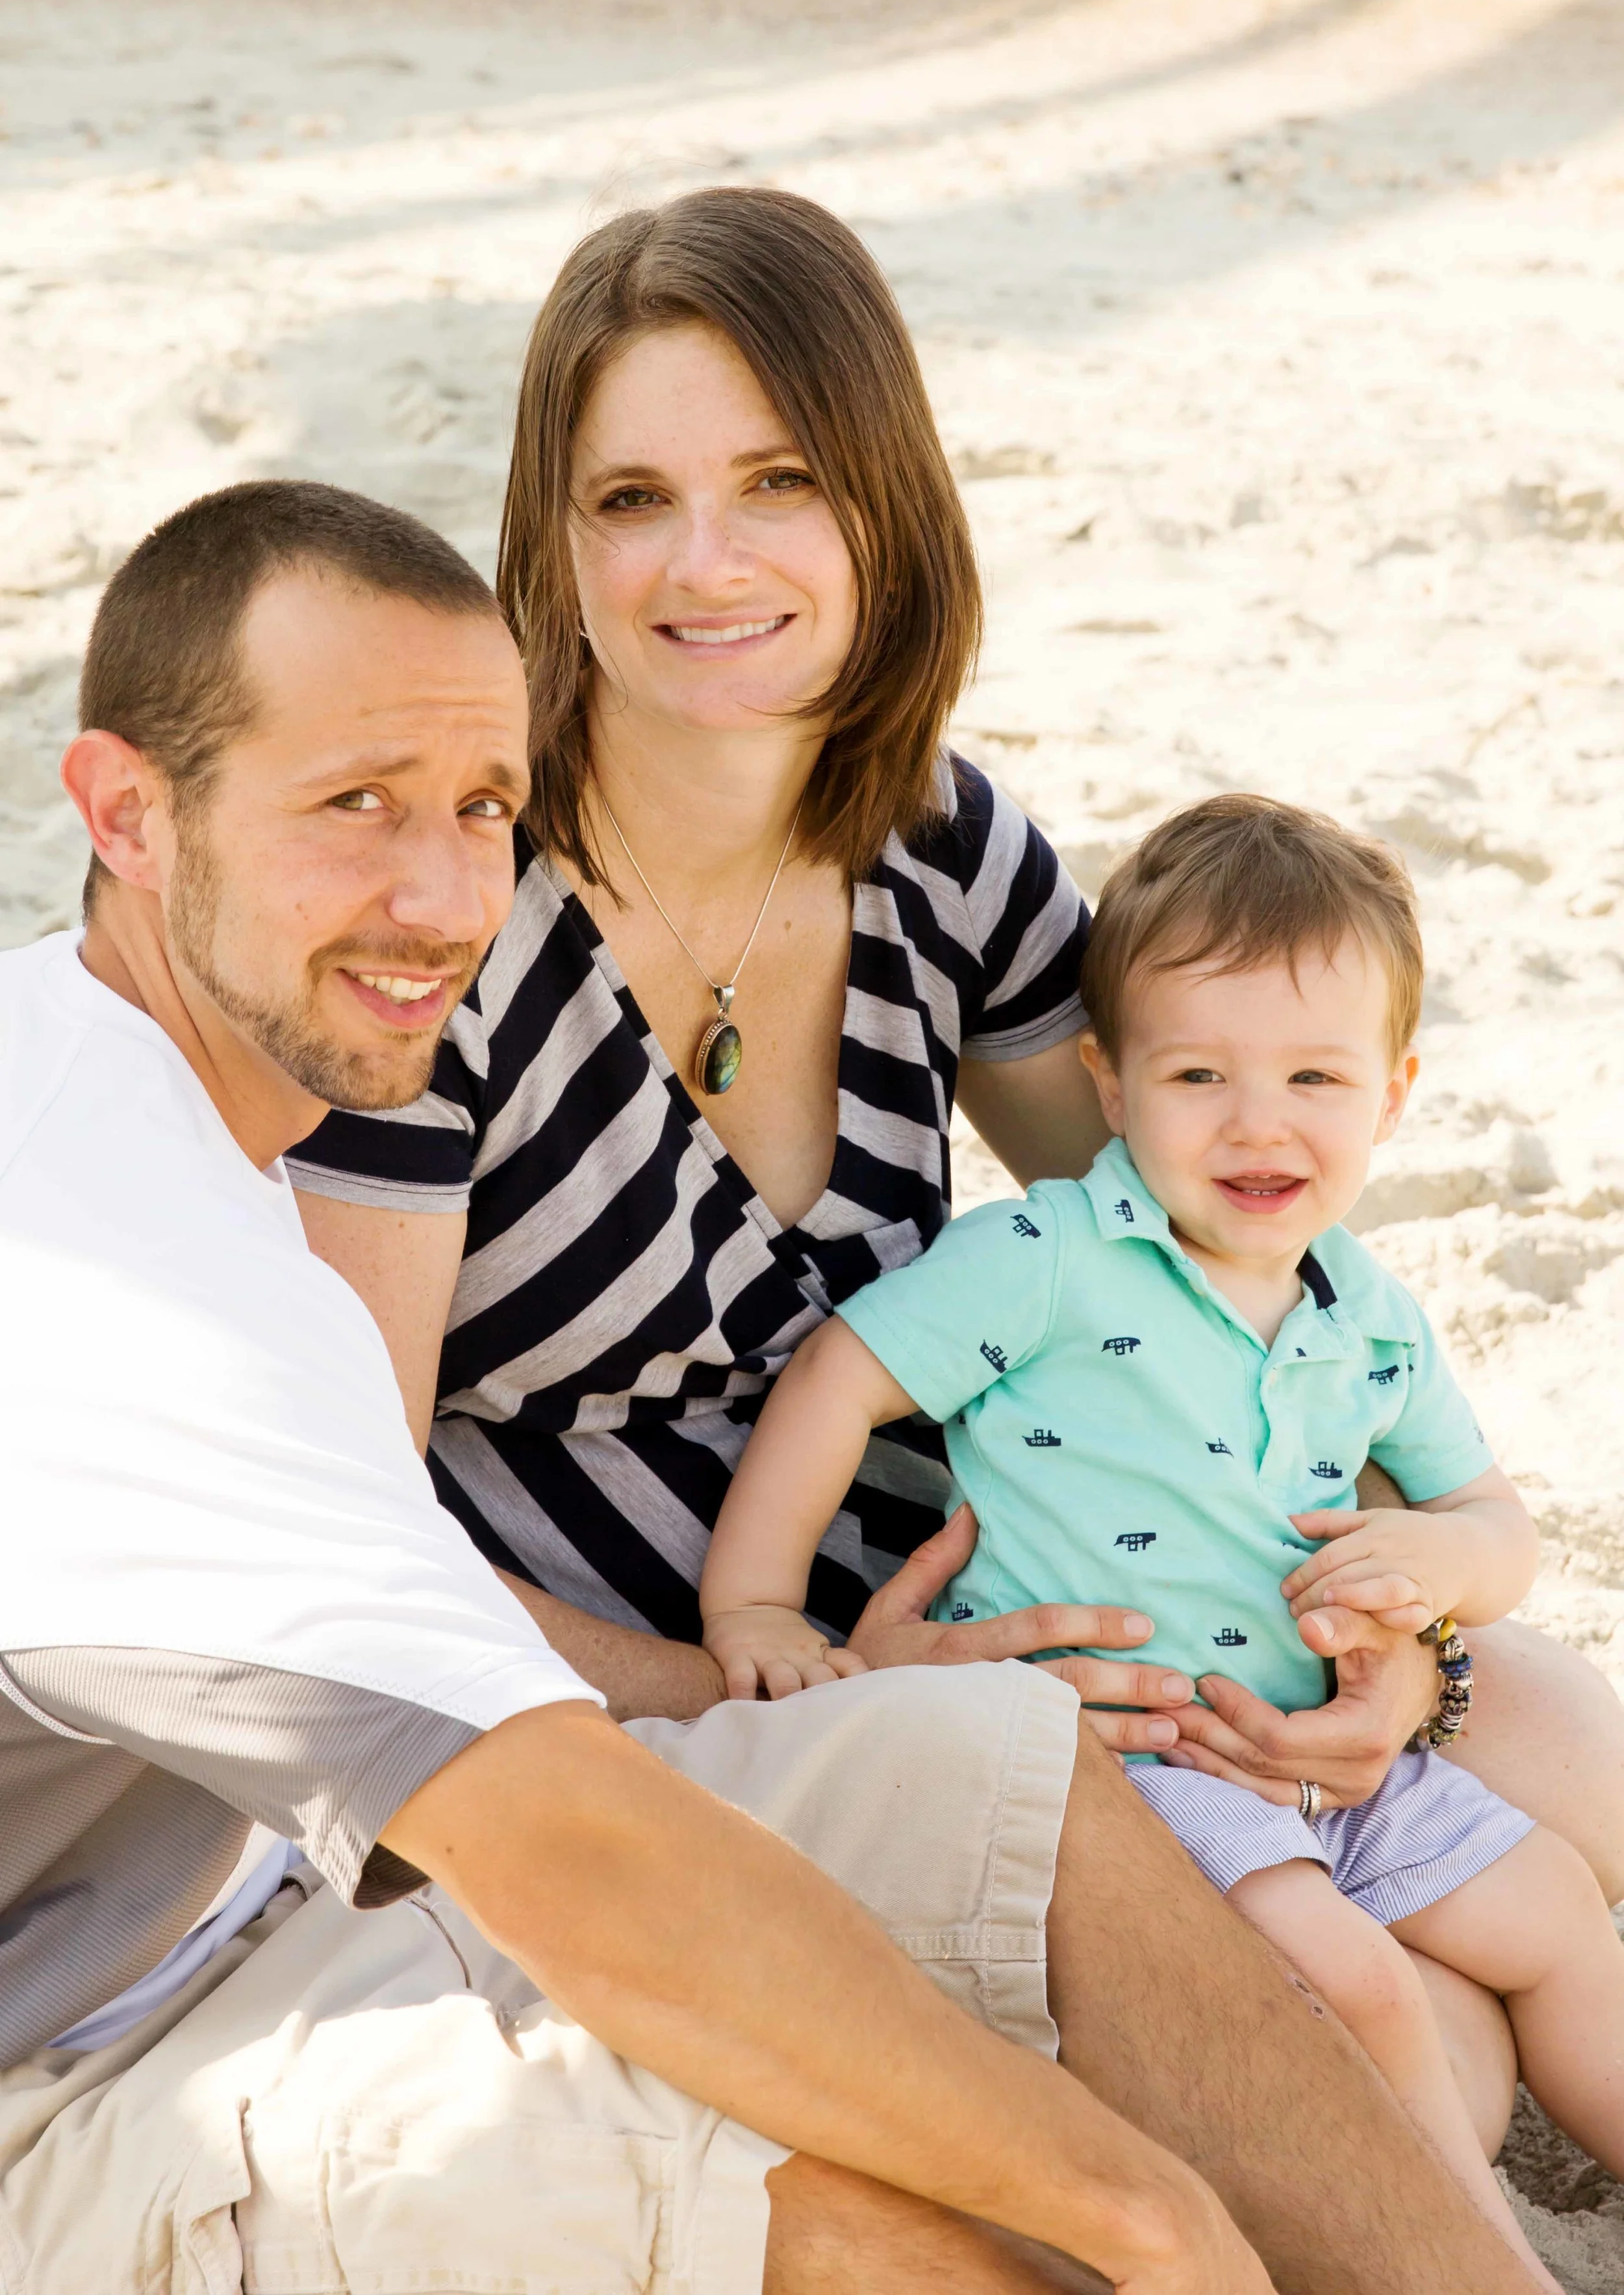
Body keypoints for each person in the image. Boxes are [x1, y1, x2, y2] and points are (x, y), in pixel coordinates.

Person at [0, 476, 1556, 2294]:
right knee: (812, 2203)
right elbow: (571, 1847)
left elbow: (1204, 1294)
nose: (441, 893)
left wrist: (1419, 1625)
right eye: (353, 804)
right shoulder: (97, 1243)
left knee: (998, 1753)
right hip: (84, 2073)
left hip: (312, 1883)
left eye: (480, 805)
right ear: (124, 808)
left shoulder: (233, 1093)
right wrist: (1147, 2218)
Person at [290, 185, 1624, 2160]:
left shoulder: (934, 842)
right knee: (1393, 2037)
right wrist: (788, 1693)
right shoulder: (445, 928)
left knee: (1561, 1786)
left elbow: (1222, 1267)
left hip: (1061, 1609)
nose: (708, 560)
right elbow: (344, 1533)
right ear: (548, 540)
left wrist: (1389, 1657)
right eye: (631, 496)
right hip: (662, 1710)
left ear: (884, 507)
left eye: (778, 480)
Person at [697, 793, 1624, 2287]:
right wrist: (750, 1602)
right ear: (1106, 1084)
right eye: (1198, 1074)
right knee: (1362, 1993)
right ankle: (1480, 2263)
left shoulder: (1364, 1311)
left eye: (1313, 1077)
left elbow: (1489, 1522)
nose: (1258, 1123)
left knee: (1556, 1917)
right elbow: (838, 1381)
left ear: (1390, 1095)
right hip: (1144, 1766)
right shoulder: (1044, 1257)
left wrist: (1437, 1579)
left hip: (1328, 1749)